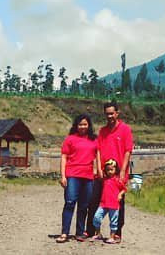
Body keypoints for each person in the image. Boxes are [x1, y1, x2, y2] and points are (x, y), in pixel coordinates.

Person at [85, 100, 134, 243]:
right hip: (103, 174)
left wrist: (123, 171)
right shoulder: (102, 131)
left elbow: (127, 151)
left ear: (117, 113)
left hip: (118, 173)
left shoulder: (125, 129)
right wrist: (98, 168)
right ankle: (92, 230)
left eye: (112, 113)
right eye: (107, 114)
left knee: (118, 203)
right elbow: (98, 150)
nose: (109, 116)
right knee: (94, 200)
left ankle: (117, 233)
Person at [57, 113, 97, 243]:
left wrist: (97, 171)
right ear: (76, 125)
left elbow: (98, 157)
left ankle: (80, 232)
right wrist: (63, 176)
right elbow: (64, 157)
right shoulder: (70, 139)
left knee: (84, 206)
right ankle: (64, 233)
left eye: (85, 124)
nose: (83, 127)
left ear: (89, 125)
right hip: (73, 175)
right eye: (80, 124)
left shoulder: (94, 139)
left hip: (88, 176)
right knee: (70, 202)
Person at [91, 158, 125, 244]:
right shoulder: (104, 179)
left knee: (113, 221)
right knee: (96, 217)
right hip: (103, 203)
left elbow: (124, 188)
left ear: (115, 170)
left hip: (113, 204)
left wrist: (120, 194)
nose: (110, 171)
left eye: (111, 169)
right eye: (108, 170)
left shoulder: (117, 180)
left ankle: (112, 236)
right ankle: (98, 233)